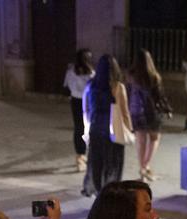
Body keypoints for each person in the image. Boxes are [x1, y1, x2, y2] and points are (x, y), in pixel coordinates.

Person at [82, 55, 132, 197]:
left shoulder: (91, 85)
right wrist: (129, 129)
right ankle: (110, 192)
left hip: (96, 128)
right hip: (113, 131)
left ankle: (97, 190)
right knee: (113, 164)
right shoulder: (118, 87)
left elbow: (85, 108)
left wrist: (87, 125)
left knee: (96, 162)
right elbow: (124, 112)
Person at [128, 49, 172, 182]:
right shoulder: (154, 77)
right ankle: (145, 166)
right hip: (151, 112)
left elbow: (128, 92)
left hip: (135, 111)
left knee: (140, 140)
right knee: (154, 139)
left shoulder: (130, 75)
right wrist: (167, 109)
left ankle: (143, 170)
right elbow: (159, 96)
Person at [64, 48, 94, 173]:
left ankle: (80, 155)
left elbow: (66, 86)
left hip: (75, 101)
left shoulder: (71, 72)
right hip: (88, 102)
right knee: (88, 127)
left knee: (78, 127)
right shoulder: (91, 73)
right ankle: (84, 155)